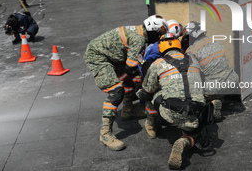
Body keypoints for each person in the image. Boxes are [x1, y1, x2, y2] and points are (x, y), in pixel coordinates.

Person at [84, 15, 168, 151]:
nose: (159, 38)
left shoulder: (140, 32)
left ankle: (128, 110)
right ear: (153, 30)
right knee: (116, 92)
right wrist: (147, 83)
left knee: (128, 81)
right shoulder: (139, 38)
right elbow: (131, 68)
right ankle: (105, 134)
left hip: (111, 56)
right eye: (159, 34)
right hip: (98, 56)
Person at [137, 33, 208, 169]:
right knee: (196, 135)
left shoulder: (158, 64)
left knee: (150, 94)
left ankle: (151, 125)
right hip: (196, 112)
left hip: (171, 112)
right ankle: (184, 141)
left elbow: (147, 91)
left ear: (161, 48)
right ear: (179, 45)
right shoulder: (194, 60)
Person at [181, 21, 239, 121]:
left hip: (214, 88)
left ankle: (212, 103)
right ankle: (220, 97)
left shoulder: (192, 51)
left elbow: (193, 76)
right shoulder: (216, 42)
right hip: (233, 81)